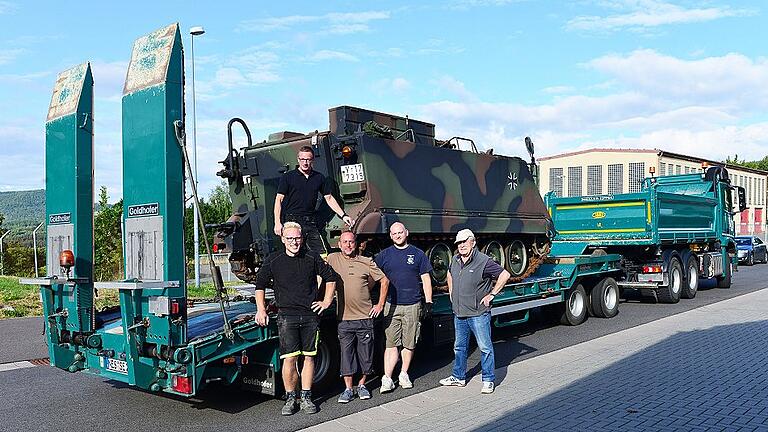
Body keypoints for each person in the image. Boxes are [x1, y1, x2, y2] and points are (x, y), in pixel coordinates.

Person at [253, 221, 339, 415]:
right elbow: (260, 285)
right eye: (290, 238)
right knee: (289, 359)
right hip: (286, 316)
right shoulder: (274, 260)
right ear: (283, 239)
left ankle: (307, 398)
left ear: (302, 238)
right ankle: (291, 398)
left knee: (309, 357)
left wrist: (325, 302)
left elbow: (331, 278)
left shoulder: (312, 257)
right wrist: (261, 310)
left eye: (297, 238)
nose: (294, 242)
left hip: (310, 316)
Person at [439, 229, 511, 394]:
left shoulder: (483, 261)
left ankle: (488, 380)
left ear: (473, 242)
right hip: (459, 313)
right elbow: (449, 274)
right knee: (459, 347)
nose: (461, 245)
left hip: (478, 313)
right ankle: (458, 377)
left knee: (485, 347)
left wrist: (492, 294)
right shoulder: (455, 260)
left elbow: (505, 275)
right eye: (459, 243)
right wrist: (451, 293)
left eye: (465, 242)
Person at [326, 231, 389, 403]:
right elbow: (318, 272)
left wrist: (380, 305)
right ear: (339, 244)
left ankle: (362, 385)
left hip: (364, 316)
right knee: (346, 355)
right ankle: (348, 389)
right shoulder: (332, 259)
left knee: (365, 355)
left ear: (356, 244)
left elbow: (384, 280)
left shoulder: (366, 261)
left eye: (351, 242)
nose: (348, 245)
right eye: (344, 242)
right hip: (344, 318)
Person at [374, 221, 433, 393]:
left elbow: (426, 279)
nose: (398, 235)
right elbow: (373, 277)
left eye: (400, 232)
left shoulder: (418, 254)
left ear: (406, 232)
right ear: (390, 236)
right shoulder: (384, 256)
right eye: (394, 233)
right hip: (391, 305)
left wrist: (428, 301)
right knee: (391, 343)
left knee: (409, 342)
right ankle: (387, 378)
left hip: (412, 305)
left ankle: (404, 374)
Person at [273, 145, 354, 254]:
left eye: (308, 159)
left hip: (310, 221)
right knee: (294, 253)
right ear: (298, 159)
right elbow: (279, 200)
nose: (305, 162)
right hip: (292, 221)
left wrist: (343, 216)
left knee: (321, 254)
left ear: (312, 160)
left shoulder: (319, 177)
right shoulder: (288, 177)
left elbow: (329, 198)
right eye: (302, 159)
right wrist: (277, 222)